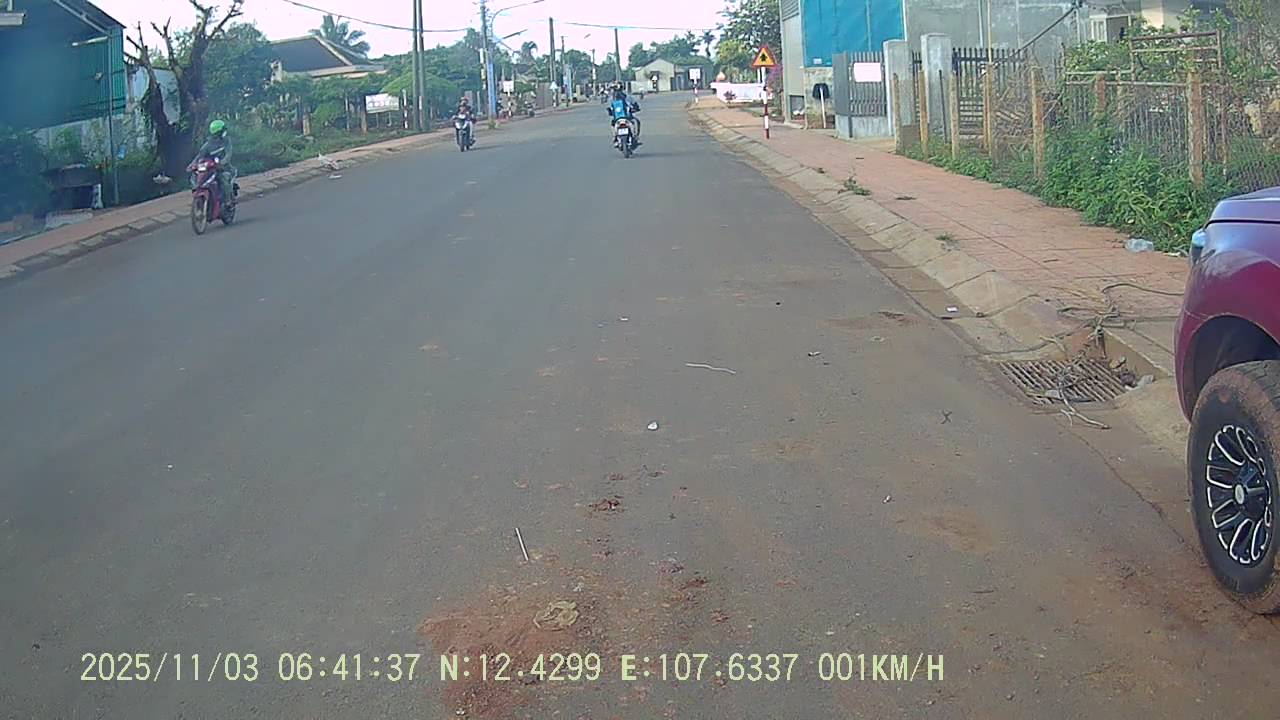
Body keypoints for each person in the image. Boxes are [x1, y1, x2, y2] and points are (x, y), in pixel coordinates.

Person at [193, 119, 236, 207]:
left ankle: (228, 200)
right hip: (210, 169)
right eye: (223, 130)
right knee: (196, 177)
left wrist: (222, 163)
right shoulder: (207, 145)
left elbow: (228, 154)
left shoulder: (226, 141)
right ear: (218, 133)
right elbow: (199, 156)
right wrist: (193, 165)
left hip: (224, 168)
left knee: (224, 179)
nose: (225, 132)